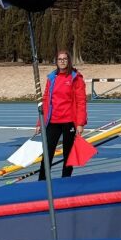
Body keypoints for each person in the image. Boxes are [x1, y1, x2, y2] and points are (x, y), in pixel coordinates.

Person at [37, 50, 88, 180]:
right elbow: (46, 100)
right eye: (60, 59)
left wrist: (80, 123)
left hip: (69, 122)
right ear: (57, 61)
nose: (62, 61)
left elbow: (81, 102)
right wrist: (40, 122)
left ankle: (65, 179)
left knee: (68, 154)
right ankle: (42, 180)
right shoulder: (52, 77)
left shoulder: (75, 78)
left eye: (65, 59)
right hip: (53, 121)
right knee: (47, 153)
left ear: (69, 61)